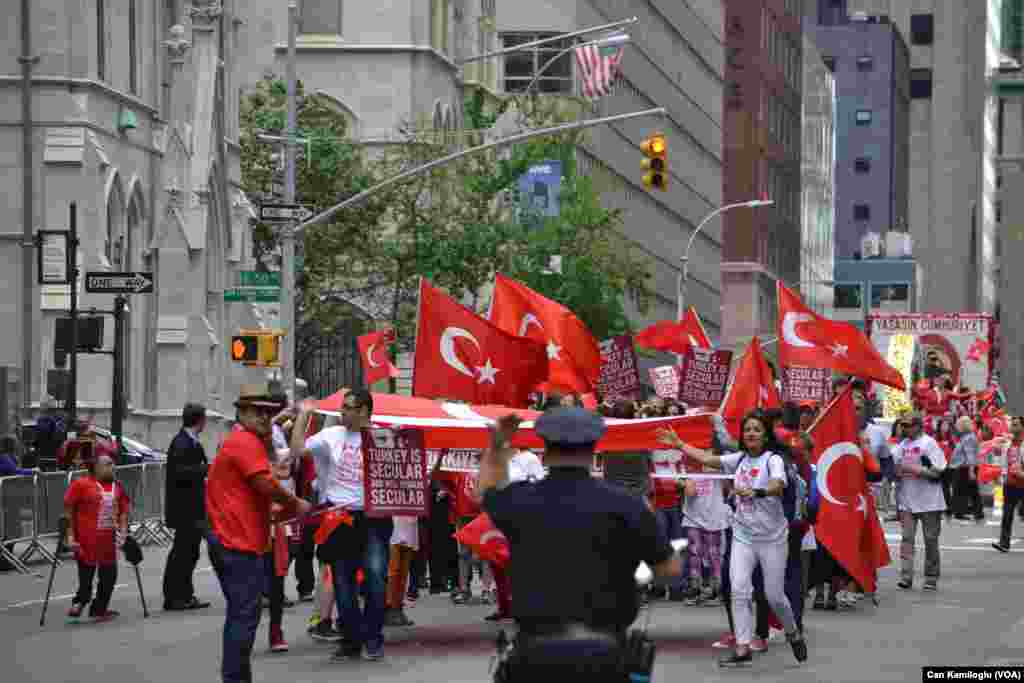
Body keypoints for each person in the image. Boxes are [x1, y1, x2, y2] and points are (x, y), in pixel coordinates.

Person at [479, 408, 682, 683]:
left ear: (546, 451)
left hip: (535, 656)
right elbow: (669, 568)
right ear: (594, 449)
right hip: (605, 657)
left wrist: (498, 445)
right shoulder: (626, 505)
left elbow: (489, 491)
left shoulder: (521, 501)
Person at [660, 412, 809, 668]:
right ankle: (742, 648)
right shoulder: (738, 459)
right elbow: (708, 458)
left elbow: (777, 485)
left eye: (757, 430)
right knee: (739, 590)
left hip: (772, 539)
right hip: (742, 536)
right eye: (747, 429)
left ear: (765, 435)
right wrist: (679, 444)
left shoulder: (773, 460)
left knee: (774, 596)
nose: (751, 433)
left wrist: (758, 491)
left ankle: (793, 632)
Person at [206, 382, 310, 683]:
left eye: (268, 412)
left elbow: (255, 493)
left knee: (243, 614)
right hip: (235, 542)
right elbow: (266, 485)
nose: (265, 418)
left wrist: (280, 510)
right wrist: (296, 503)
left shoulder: (246, 442)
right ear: (241, 414)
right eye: (257, 412)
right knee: (244, 616)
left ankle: (237, 677)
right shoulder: (244, 442)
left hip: (238, 538)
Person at [291, 390, 393, 662]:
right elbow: (297, 450)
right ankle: (351, 640)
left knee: (375, 577)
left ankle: (373, 639)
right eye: (343, 407)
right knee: (342, 581)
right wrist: (304, 414)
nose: (343, 412)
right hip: (339, 518)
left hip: (374, 519)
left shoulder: (385, 436)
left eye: (349, 408)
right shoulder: (331, 436)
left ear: (364, 411)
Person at [64, 452, 130, 621]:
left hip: (108, 541)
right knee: (86, 576)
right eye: (107, 464)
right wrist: (70, 537)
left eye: (112, 464)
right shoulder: (81, 484)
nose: (112, 467)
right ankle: (80, 602)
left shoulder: (118, 487)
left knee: (109, 577)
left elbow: (123, 512)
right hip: (86, 541)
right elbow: (68, 512)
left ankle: (99, 608)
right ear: (96, 467)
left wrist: (123, 533)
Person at [162, 403, 213, 611]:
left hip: (193, 508)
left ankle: (184, 593)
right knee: (183, 552)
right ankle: (175, 596)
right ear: (199, 420)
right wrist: (202, 469)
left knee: (189, 552)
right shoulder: (181, 443)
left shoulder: (191, 442)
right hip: (185, 509)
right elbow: (179, 472)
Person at [892, 413, 946, 590]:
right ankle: (906, 576)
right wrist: (896, 471)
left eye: (907, 425)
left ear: (918, 426)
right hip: (907, 500)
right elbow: (891, 465)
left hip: (930, 501)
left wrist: (914, 469)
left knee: (930, 539)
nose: (904, 429)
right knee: (907, 539)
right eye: (902, 425)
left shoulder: (928, 443)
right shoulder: (902, 445)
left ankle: (931, 577)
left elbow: (938, 471)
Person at [994, 416, 1024, 553]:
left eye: (1016, 425)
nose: (1013, 428)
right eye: (1012, 425)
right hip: (1010, 484)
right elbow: (1001, 460)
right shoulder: (1007, 443)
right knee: (1007, 514)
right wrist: (1001, 476)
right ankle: (1004, 543)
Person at [951, 416, 982, 522]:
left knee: (961, 490)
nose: (957, 427)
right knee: (972, 490)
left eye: (958, 424)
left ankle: (960, 512)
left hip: (966, 467)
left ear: (963, 425)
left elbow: (970, 455)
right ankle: (977, 512)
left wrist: (971, 470)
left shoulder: (969, 438)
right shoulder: (966, 437)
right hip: (965, 467)